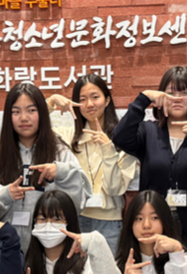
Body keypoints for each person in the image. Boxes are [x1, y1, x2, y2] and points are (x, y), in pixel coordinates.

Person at [112, 65, 187, 254]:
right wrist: (143, 99)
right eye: (170, 92)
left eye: (185, 92)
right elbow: (120, 138)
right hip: (153, 226)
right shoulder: (148, 131)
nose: (177, 98)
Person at [0, 82, 89, 251]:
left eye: (31, 110)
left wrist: (62, 173)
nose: (24, 118)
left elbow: (80, 201)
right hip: (5, 248)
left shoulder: (60, 152)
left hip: (49, 248)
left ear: (42, 113)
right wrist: (5, 194)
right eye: (16, 112)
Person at [46, 74, 138, 253]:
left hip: (109, 223)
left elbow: (114, 189)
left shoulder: (123, 140)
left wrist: (108, 150)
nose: (89, 104)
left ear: (107, 100)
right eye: (82, 99)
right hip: (74, 219)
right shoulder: (69, 135)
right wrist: (51, 102)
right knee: (74, 271)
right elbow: (34, 127)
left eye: (95, 97)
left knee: (107, 270)